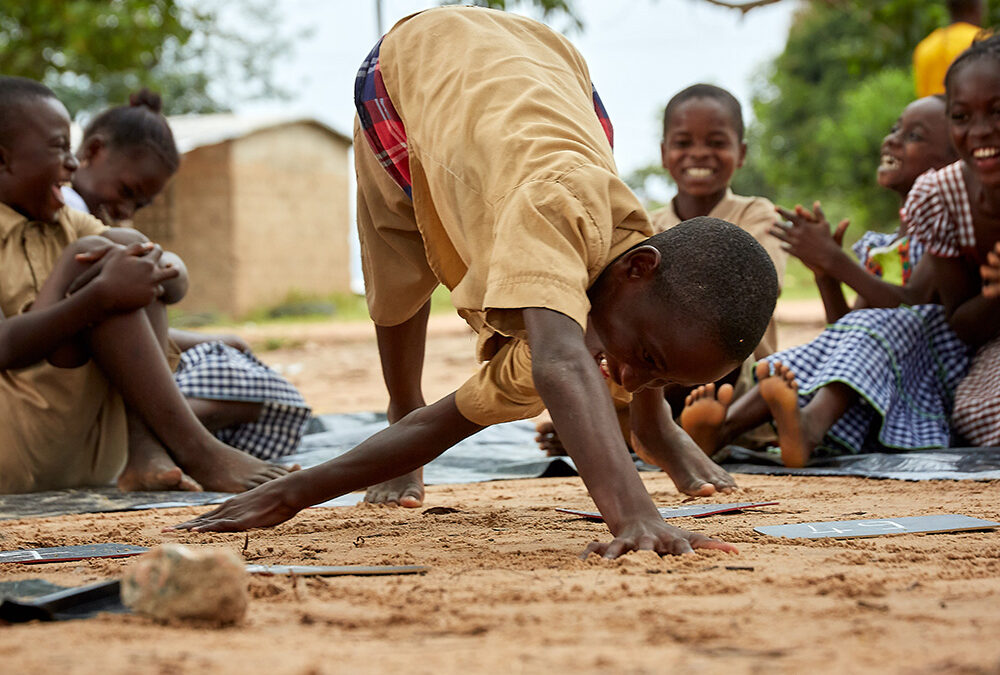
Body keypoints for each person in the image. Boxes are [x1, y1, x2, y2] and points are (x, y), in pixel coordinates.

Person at [173, 7, 779, 559]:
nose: (628, 379)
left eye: (662, 381)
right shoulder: (559, 220)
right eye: (646, 359)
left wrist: (294, 493)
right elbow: (561, 364)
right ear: (636, 268)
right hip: (414, 64)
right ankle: (397, 400)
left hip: (549, 68)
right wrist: (633, 515)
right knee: (397, 265)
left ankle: (656, 426)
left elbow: (456, 419)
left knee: (599, 329)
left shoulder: (620, 275)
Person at [0, 76, 293, 494]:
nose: (70, 162)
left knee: (123, 252)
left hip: (85, 455)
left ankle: (147, 448)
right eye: (58, 148)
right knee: (106, 266)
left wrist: (159, 266)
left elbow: (152, 263)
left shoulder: (69, 221)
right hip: (15, 449)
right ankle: (194, 449)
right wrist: (99, 294)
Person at [680, 95, 969, 467]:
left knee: (877, 325)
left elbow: (911, 303)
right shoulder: (885, 246)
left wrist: (836, 261)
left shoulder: (942, 232)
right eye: (895, 128)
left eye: (914, 135)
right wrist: (825, 275)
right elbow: (845, 328)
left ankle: (811, 426)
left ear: (950, 165)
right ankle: (722, 430)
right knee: (794, 360)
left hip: (930, 373)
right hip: (883, 369)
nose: (892, 139)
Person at [537, 83, 787, 457]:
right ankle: (631, 427)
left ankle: (701, 428)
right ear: (664, 154)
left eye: (716, 142)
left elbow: (759, 285)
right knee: (621, 347)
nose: (699, 153)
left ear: (742, 153)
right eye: (684, 143)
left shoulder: (756, 214)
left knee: (706, 345)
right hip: (651, 365)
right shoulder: (645, 225)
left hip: (727, 370)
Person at [63, 89, 312, 461]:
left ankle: (165, 434)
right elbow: (95, 320)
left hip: (110, 356)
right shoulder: (68, 215)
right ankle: (157, 438)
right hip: (82, 372)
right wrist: (194, 331)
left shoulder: (90, 221)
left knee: (257, 383)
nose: (125, 209)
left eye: (139, 204)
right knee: (267, 395)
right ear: (93, 152)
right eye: (127, 191)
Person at [906, 34, 1000, 447]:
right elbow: (962, 322)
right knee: (978, 411)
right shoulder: (939, 197)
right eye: (961, 117)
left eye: (998, 112)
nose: (980, 131)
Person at [913, 0, 984, 98]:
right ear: (977, 8)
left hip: (930, 112)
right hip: (971, 111)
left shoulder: (926, 46)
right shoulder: (984, 43)